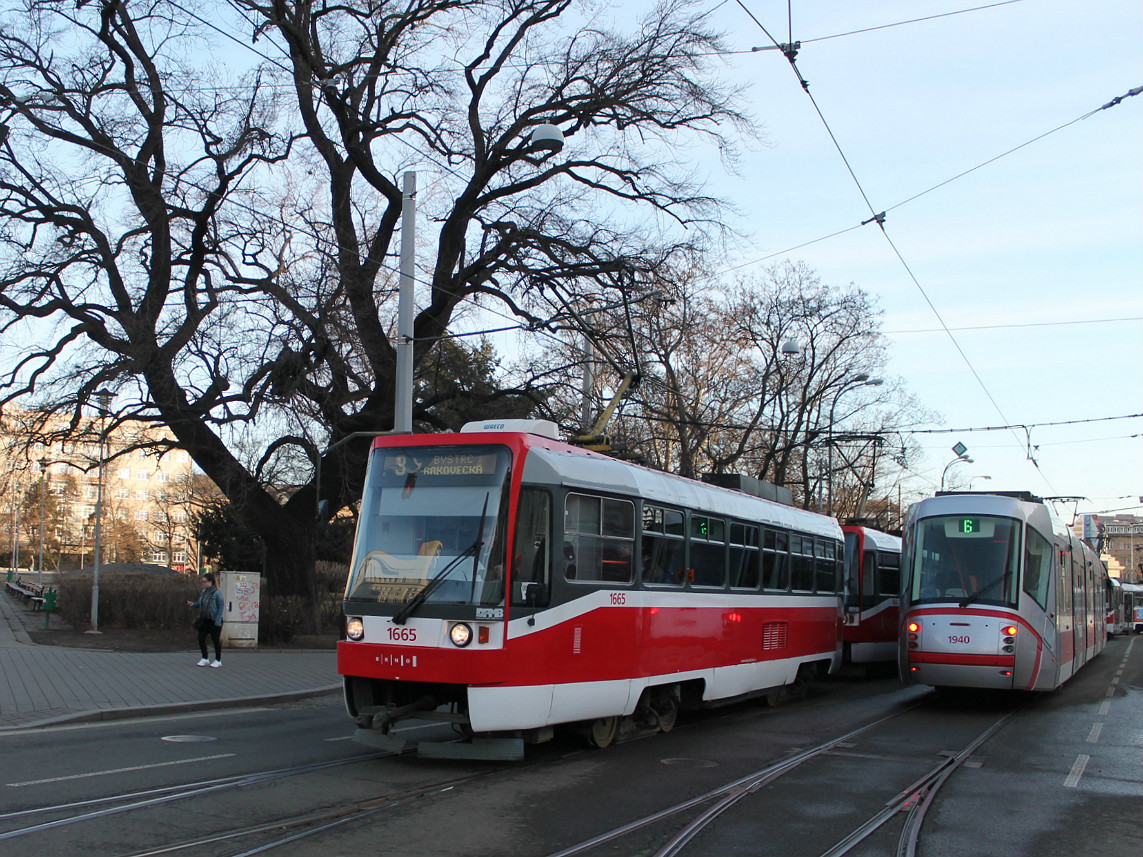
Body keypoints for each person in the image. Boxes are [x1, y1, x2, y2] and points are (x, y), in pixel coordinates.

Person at [187, 572, 225, 668]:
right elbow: (201, 603)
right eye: (202, 582)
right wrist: (193, 604)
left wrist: (218, 620)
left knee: (215, 640)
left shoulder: (217, 593)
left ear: (211, 582)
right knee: (201, 638)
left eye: (205, 582)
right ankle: (205, 658)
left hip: (214, 620)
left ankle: (218, 660)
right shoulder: (204, 592)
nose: (203, 583)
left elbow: (221, 606)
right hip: (204, 619)